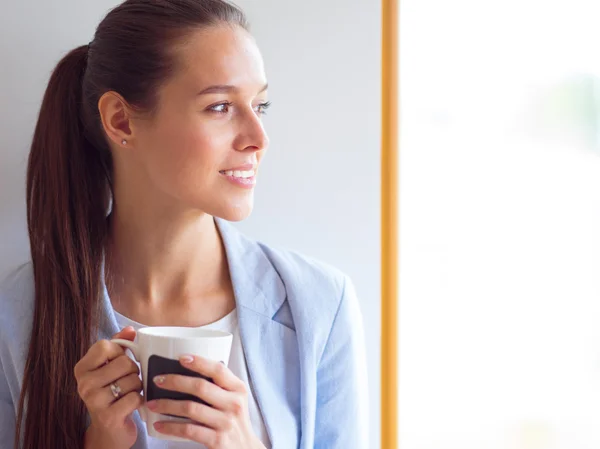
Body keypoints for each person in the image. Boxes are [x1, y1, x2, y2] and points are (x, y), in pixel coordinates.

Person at [0, 0, 369, 448]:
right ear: (121, 121)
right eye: (219, 107)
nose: (259, 138)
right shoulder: (18, 316)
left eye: (260, 105)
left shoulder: (320, 306)